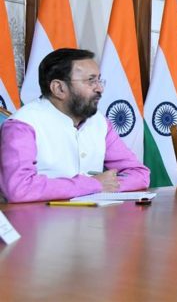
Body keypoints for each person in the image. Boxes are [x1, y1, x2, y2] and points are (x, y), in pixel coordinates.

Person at [0, 49, 150, 203]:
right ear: (59, 88)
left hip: (92, 221)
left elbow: (139, 174)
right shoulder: (22, 125)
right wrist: (93, 185)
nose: (99, 88)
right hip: (38, 222)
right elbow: (18, 188)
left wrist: (108, 185)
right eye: (91, 81)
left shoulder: (99, 122)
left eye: (99, 80)